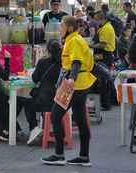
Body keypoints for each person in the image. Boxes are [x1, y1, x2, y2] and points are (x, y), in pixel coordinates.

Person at [42, 16, 96, 167]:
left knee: (55, 115)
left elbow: (76, 62)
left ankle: (59, 154)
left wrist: (71, 78)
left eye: (62, 26)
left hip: (73, 83)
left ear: (70, 28)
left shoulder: (75, 41)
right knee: (80, 120)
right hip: (79, 83)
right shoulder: (73, 40)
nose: (60, 29)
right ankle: (84, 157)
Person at [25, 39, 62, 145]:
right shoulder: (65, 63)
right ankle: (45, 129)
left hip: (45, 101)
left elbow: (35, 78)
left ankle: (34, 128)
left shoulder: (42, 62)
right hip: (60, 101)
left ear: (48, 50)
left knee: (28, 104)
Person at [90, 11, 116, 111]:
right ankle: (104, 102)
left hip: (105, 56)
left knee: (104, 80)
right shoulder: (103, 26)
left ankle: (106, 104)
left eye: (96, 19)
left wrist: (90, 45)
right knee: (103, 79)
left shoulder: (106, 28)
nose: (95, 21)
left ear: (101, 19)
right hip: (102, 56)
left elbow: (103, 44)